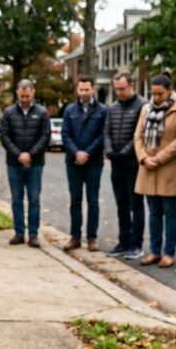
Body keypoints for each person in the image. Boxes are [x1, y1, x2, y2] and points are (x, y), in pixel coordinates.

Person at [133, 73, 176, 268]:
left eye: (160, 93)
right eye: (154, 93)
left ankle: (169, 252)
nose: (156, 97)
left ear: (170, 90)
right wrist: (144, 158)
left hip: (170, 167)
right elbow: (138, 137)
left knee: (170, 211)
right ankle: (155, 251)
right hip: (148, 167)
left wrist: (159, 158)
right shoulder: (146, 109)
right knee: (154, 212)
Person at [0, 79, 51, 248]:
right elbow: (4, 136)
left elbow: (45, 136)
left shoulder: (42, 113)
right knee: (16, 199)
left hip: (35, 163)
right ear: (17, 93)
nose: (24, 99)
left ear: (33, 93)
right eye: (21, 96)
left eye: (27, 96)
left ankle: (33, 234)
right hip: (14, 163)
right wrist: (18, 154)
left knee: (34, 199)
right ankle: (19, 232)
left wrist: (31, 154)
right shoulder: (9, 113)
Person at [104, 72, 148, 260]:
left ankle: (136, 244)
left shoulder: (143, 106)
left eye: (122, 89)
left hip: (133, 164)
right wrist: (109, 151)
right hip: (116, 164)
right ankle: (123, 241)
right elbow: (106, 132)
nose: (119, 92)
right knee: (121, 204)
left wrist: (124, 153)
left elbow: (140, 134)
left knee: (135, 205)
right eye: (117, 89)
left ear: (132, 85)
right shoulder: (113, 108)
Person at [61, 75, 108, 252]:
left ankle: (92, 237)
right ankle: (75, 236)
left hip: (93, 161)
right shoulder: (70, 110)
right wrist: (76, 152)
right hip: (73, 161)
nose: (83, 93)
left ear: (93, 89)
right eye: (81, 89)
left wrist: (87, 153)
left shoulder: (102, 111)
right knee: (75, 200)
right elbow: (65, 134)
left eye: (86, 89)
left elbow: (103, 135)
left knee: (93, 200)